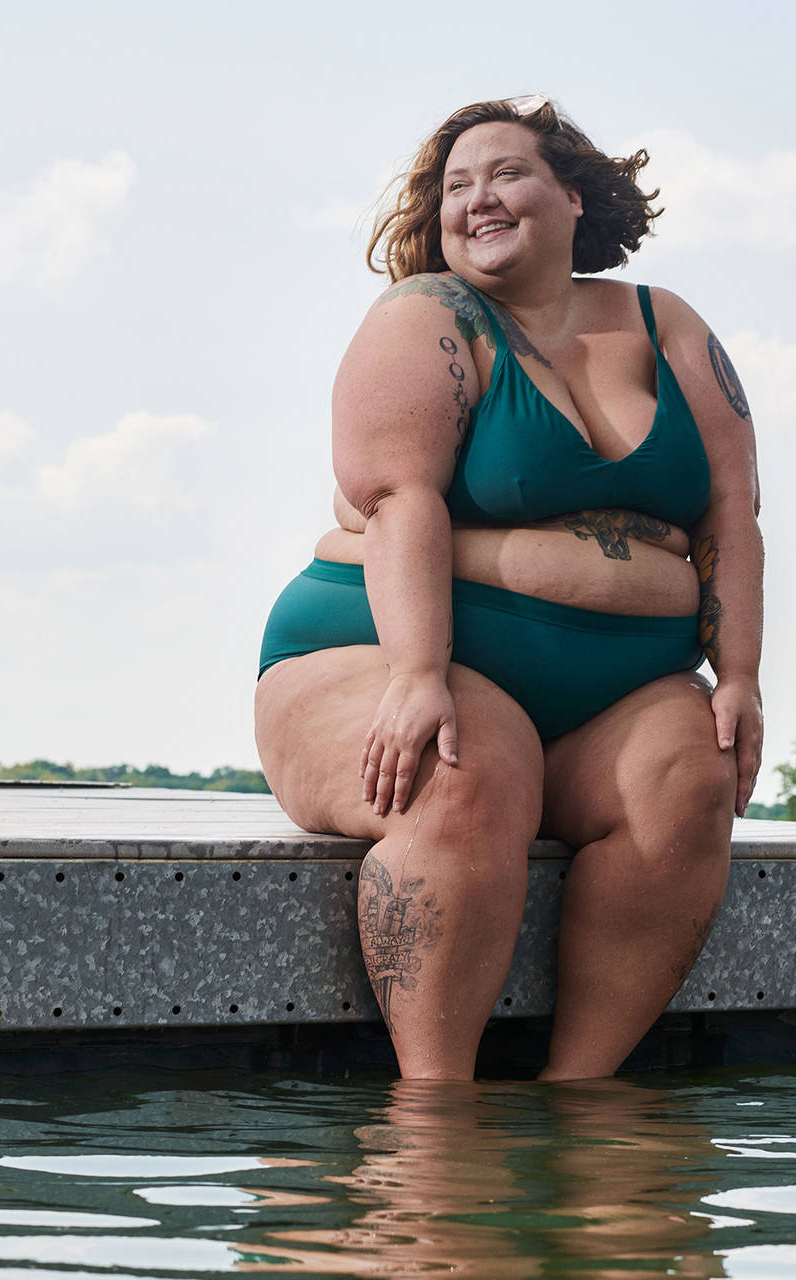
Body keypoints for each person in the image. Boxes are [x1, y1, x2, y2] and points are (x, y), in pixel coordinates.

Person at [255, 95, 763, 1081]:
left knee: (690, 778)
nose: (478, 197)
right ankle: (435, 1116)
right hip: (376, 654)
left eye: (505, 172)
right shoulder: (427, 319)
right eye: (455, 186)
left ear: (575, 193)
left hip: (608, 699)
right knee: (464, 766)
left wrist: (736, 672)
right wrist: (416, 672)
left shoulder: (669, 326)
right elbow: (403, 501)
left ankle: (584, 1096)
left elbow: (731, 514)